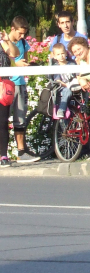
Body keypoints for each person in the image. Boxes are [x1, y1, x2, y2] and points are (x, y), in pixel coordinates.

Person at [7, 16, 39, 163]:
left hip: (19, 83)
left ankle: (21, 151)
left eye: (24, 34)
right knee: (2, 120)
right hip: (6, 85)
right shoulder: (4, 43)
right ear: (12, 29)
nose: (22, 36)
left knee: (20, 118)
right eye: (19, 33)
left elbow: (24, 60)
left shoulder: (23, 43)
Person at [0, 30, 19, 168]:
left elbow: (14, 54)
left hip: (2, 87)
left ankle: (3, 155)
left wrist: (7, 40)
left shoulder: (2, 44)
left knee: (2, 122)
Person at [50, 43, 79, 118]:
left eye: (62, 53)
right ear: (55, 56)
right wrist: (67, 86)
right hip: (61, 87)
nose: (61, 56)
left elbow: (78, 75)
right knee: (67, 91)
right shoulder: (56, 67)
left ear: (66, 53)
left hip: (73, 85)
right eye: (58, 54)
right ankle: (61, 110)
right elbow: (58, 81)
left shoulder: (72, 64)